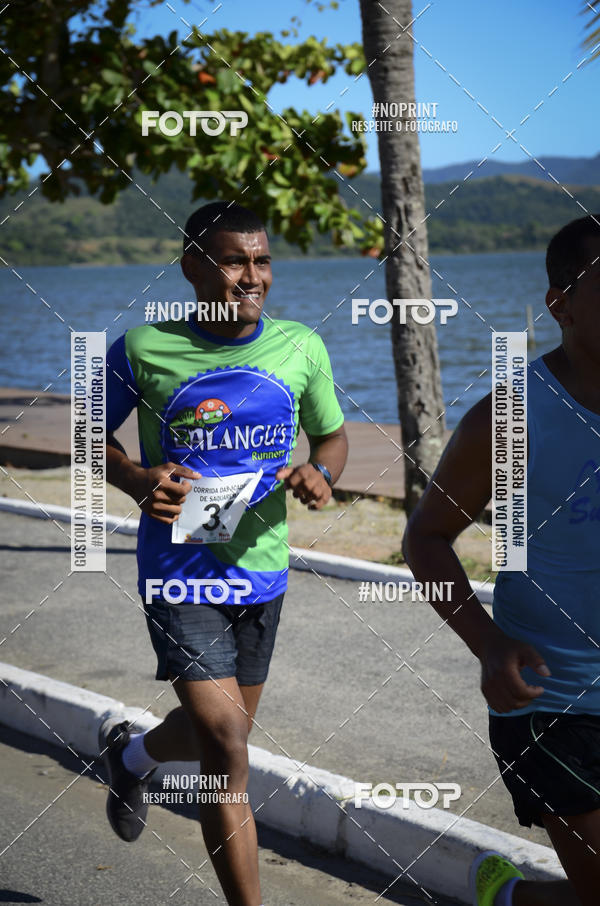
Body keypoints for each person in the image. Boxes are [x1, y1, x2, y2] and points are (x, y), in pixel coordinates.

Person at [98, 201, 348, 906]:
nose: (252, 276)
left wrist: (320, 473)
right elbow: (92, 434)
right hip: (179, 573)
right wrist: (138, 478)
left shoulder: (300, 346)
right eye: (234, 260)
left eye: (261, 260)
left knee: (220, 736)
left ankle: (131, 756)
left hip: (262, 571)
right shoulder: (145, 348)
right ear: (193, 267)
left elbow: (331, 438)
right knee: (228, 751)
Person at [403, 214, 600, 906]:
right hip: (556, 702)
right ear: (562, 305)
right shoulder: (513, 417)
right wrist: (487, 643)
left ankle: (508, 899)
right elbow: (425, 538)